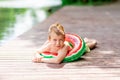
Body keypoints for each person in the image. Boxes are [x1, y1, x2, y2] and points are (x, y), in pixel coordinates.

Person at [32, 23, 97, 64]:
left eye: (60, 40)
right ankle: (85, 40)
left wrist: (42, 60)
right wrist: (38, 56)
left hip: (71, 46)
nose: (58, 43)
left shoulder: (63, 48)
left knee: (89, 46)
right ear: (49, 40)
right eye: (54, 40)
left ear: (64, 39)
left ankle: (91, 42)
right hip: (63, 44)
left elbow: (57, 61)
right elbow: (37, 51)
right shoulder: (49, 46)